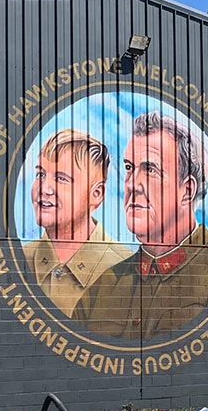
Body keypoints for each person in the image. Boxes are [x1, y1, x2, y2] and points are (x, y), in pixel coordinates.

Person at [74, 111, 208, 338]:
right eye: (129, 168)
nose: (132, 184)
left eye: (150, 170)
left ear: (187, 190)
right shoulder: (103, 287)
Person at [22, 128, 132, 313]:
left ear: (96, 194)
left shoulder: (126, 272)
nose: (44, 188)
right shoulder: (17, 262)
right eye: (40, 174)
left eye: (61, 178)